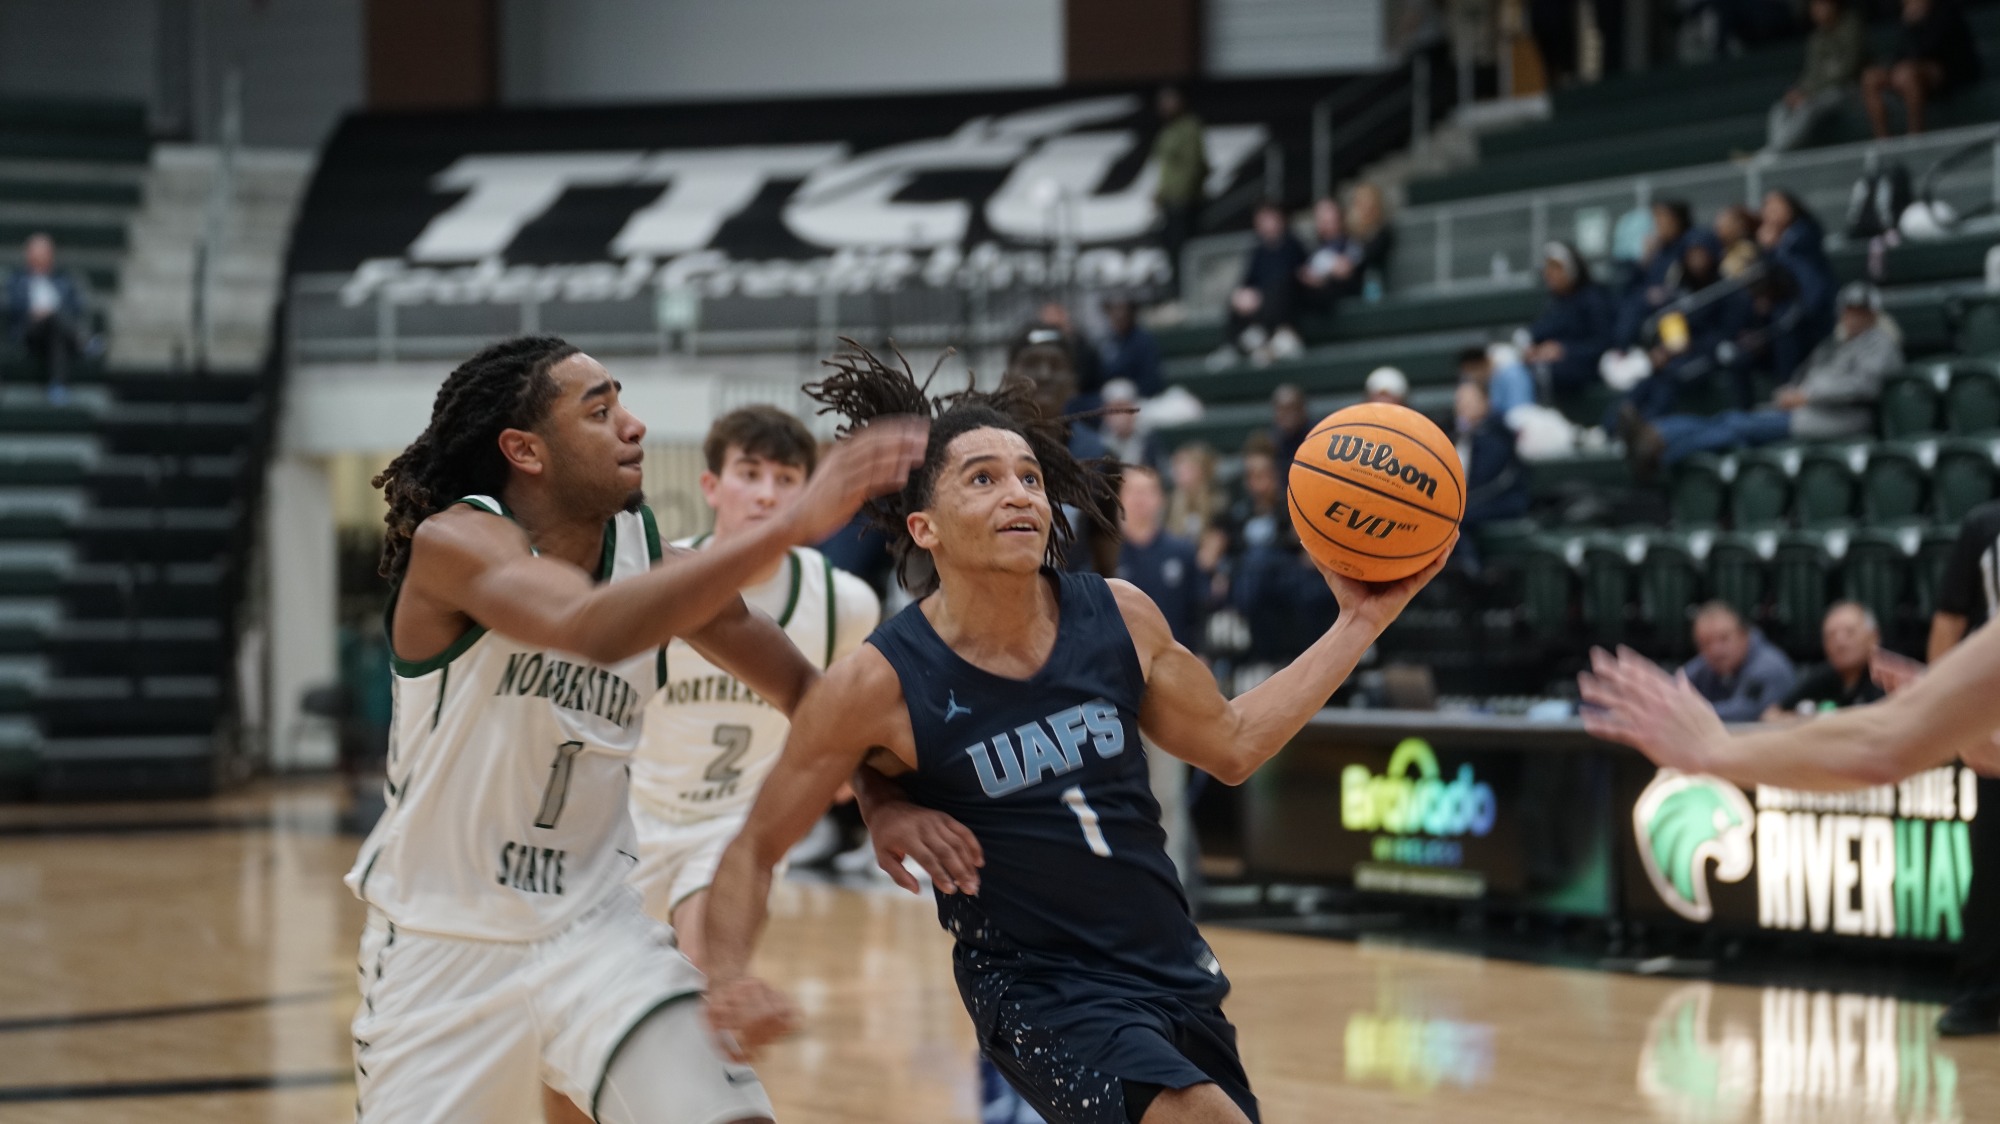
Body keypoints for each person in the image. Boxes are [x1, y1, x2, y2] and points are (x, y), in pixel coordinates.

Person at [699, 345, 1449, 1124]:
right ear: (925, 528)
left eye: (1028, 476)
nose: (1019, 493)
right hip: (1037, 987)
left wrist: (1360, 622)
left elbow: (1232, 744)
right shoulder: (879, 682)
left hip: (1171, 967)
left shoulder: (1120, 614)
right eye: (982, 479)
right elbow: (755, 846)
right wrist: (726, 978)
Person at [345, 335, 926, 1124]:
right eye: (600, 410)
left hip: (595, 936)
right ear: (525, 449)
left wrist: (874, 790)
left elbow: (808, 698)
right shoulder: (456, 543)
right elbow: (587, 624)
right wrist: (790, 523)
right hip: (442, 953)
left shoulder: (654, 561)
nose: (635, 425)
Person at [1625, 280, 1899, 474]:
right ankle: (1656, 434)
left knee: (1733, 426)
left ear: (1871, 313)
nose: (1851, 318)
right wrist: (1793, 391)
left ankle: (1662, 453)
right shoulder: (1839, 342)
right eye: (1848, 311)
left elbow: (1867, 386)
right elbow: (1810, 373)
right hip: (1805, 410)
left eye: (1858, 312)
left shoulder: (1881, 343)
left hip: (1837, 418)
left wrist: (1806, 395)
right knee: (1727, 422)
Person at [1919, 499, 2000, 1036]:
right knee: (1993, 863)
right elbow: (1948, 625)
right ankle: (1983, 993)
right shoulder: (1985, 526)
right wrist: (1945, 715)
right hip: (1995, 719)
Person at [1863, 0, 1982, 138]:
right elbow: (1902, 52)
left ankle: (1915, 136)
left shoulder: (1945, 11)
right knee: (1870, 77)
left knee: (1907, 75)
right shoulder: (1907, 16)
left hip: (1949, 70)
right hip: (1912, 68)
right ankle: (1882, 139)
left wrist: (1916, 23)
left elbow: (1932, 49)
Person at [1209, 202, 1307, 370]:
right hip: (1258, 304)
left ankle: (1268, 337)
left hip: (1285, 304)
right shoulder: (1258, 250)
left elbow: (1296, 275)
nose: (1266, 224)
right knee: (1237, 297)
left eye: (1269, 219)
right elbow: (1247, 280)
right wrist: (1244, 295)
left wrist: (1261, 296)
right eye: (1261, 220)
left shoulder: (1292, 245)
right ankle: (1234, 345)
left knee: (1279, 289)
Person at [1767, 0, 1867, 154]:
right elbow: (1810, 74)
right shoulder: (1816, 38)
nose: (1817, 10)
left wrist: (1809, 94)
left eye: (1821, 5)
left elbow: (1847, 71)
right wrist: (1799, 91)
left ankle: (1773, 153)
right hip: (1819, 93)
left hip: (1848, 90)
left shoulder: (1851, 27)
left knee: (1807, 107)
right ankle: (1775, 149)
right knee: (1780, 108)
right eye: (1814, 6)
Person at [1757, 190, 1835, 383]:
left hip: (1817, 306)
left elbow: (1799, 270)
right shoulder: (1772, 241)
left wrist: (1775, 246)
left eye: (1777, 207)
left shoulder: (1804, 231)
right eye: (1768, 208)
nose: (1772, 213)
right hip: (1790, 308)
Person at [1525, 242, 1617, 404]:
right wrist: (1533, 348)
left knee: (1541, 373)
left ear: (1571, 269)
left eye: (1556, 268)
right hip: (1555, 368)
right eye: (1548, 268)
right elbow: (1538, 331)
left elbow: (1604, 344)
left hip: (1589, 369)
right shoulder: (1554, 303)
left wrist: (1564, 350)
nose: (1549, 274)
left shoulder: (1593, 299)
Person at [1761, 601, 1884, 720]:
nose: (1840, 642)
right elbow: (1771, 715)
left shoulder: (1889, 677)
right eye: (1831, 635)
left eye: (1849, 632)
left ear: (1874, 636)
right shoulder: (1824, 676)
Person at [1679, 602, 1797, 722]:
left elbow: (1747, 713)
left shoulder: (1769, 667)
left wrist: (1691, 713)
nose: (1716, 650)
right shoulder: (1707, 666)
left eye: (1724, 639)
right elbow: (1676, 686)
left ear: (1743, 635)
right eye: (1706, 643)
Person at [5, 233, 87, 401]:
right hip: (29, 332)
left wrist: (50, 313)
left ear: (51, 255)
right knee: (54, 320)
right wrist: (32, 312)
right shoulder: (16, 280)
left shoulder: (65, 280)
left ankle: (57, 386)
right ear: (28, 254)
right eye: (35, 252)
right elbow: (9, 306)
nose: (39, 257)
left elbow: (76, 308)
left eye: (43, 252)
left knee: (55, 328)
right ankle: (83, 342)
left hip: (57, 332)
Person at [1152, 87, 1207, 307]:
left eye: (1170, 101)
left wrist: (1181, 195)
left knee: (1184, 250)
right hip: (1170, 201)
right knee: (1170, 248)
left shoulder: (1190, 128)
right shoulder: (1168, 130)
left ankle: (1187, 295)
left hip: (1184, 202)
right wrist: (1160, 193)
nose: (1165, 107)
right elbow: (1167, 169)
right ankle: (1176, 293)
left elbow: (1195, 166)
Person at [1456, 379, 1530, 534]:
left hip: (1504, 500)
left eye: (1470, 400)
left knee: (1454, 518)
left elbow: (1484, 478)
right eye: (1460, 400)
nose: (1464, 406)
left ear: (1485, 402)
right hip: (1481, 499)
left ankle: (1467, 559)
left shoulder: (1495, 433)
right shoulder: (1466, 434)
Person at [1298, 197, 1363, 312]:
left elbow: (1345, 271)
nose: (1324, 222)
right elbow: (1305, 274)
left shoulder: (1351, 243)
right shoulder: (1314, 248)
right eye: (1320, 218)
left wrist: (1321, 278)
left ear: (1339, 217)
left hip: (1340, 294)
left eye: (1328, 218)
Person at [1099, 296, 1165, 399]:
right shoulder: (1109, 341)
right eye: (1113, 310)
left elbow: (1151, 381)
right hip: (1111, 399)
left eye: (1122, 310)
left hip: (1141, 399)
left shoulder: (1143, 341)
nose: (1118, 315)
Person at [1100, 379, 1168, 476]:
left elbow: (1161, 474)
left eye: (1122, 407)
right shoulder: (1100, 442)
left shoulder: (1149, 439)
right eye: (1112, 408)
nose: (1118, 414)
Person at [1458, 346, 1535, 417]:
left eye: (1473, 371)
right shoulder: (1493, 377)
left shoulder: (1512, 374)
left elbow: (1520, 412)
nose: (1474, 377)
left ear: (1482, 363)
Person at [1347, 183, 1395, 299]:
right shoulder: (1350, 231)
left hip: (1374, 280)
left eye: (1368, 206)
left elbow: (1371, 254)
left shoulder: (1383, 231)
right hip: (1351, 282)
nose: (1365, 210)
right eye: (1361, 205)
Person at [1269, 383, 1313, 466]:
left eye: (1292, 408)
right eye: (1282, 410)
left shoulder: (1315, 436)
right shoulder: (1271, 443)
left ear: (1302, 409)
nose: (1288, 415)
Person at [1713, 205, 1762, 279]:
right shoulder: (1722, 249)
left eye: (1725, 226)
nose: (1719, 231)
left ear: (1739, 227)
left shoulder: (1746, 250)